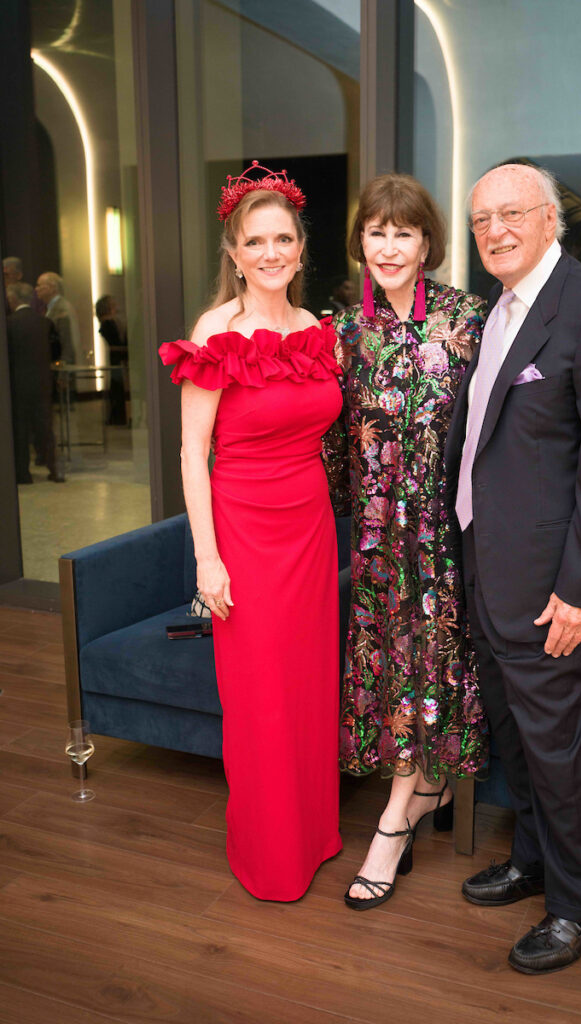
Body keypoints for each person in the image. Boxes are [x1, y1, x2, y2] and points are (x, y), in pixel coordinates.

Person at [445, 162, 581, 974]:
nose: (495, 230)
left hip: (550, 589)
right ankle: (533, 861)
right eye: (481, 220)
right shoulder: (498, 315)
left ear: (548, 220)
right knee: (517, 738)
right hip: (488, 571)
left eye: (511, 214)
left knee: (554, 748)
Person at [159, 162, 343, 901]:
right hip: (244, 532)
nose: (271, 253)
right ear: (233, 254)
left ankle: (314, 834)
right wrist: (208, 560)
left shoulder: (314, 330)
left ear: (301, 249)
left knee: (306, 687)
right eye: (254, 241)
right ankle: (271, 856)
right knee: (261, 698)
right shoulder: (216, 333)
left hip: (310, 528)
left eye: (283, 239)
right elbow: (191, 453)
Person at [325, 173, 488, 910]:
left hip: (448, 539)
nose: (389, 247)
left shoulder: (468, 320)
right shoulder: (339, 332)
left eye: (405, 232)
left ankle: (394, 822)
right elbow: (328, 444)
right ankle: (427, 789)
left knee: (435, 662)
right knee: (392, 665)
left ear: (429, 242)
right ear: (360, 240)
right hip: (374, 542)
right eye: (377, 231)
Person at [6, 282, 63, 483]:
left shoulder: (8, 324)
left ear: (13, 299)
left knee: (20, 429)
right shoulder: (44, 323)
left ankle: (23, 473)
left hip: (18, 384)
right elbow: (56, 351)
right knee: (45, 427)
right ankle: (54, 469)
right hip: (42, 382)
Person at [95, 295, 128, 425]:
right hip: (117, 359)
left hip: (116, 358)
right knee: (117, 386)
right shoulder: (109, 323)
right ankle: (118, 416)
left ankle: (117, 416)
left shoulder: (108, 323)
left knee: (116, 386)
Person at [35, 271, 80, 365]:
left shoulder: (62, 309)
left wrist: (63, 374)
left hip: (61, 368)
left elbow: (68, 344)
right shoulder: (49, 308)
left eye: (39, 285)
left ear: (52, 288)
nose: (36, 289)